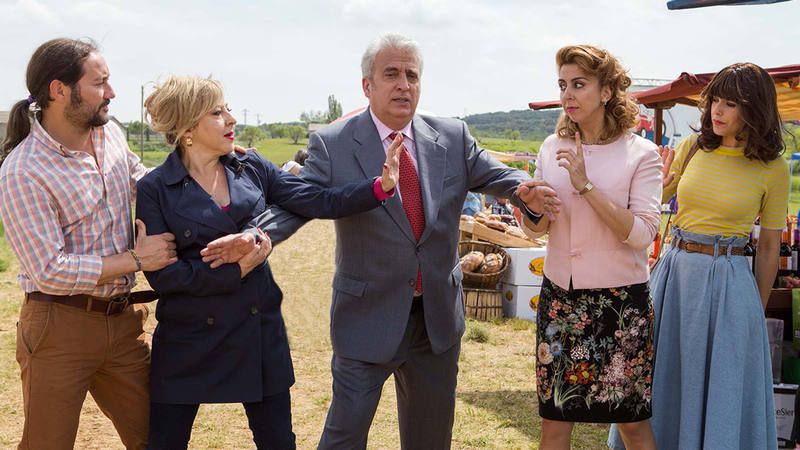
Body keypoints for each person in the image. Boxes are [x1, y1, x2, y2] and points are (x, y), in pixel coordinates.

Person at [201, 33, 537, 449]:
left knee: (431, 440)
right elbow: (299, 201)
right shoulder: (335, 143)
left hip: (436, 323)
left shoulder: (452, 136)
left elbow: (506, 178)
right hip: (366, 318)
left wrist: (530, 191)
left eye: (412, 75)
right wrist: (258, 235)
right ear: (367, 85)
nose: (404, 85)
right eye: (391, 74)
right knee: (344, 437)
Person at [136, 75, 400, 449]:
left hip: (257, 332)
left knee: (278, 442)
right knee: (167, 442)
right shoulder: (155, 188)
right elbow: (165, 278)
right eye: (217, 112)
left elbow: (318, 200)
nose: (231, 119)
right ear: (187, 129)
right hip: (188, 341)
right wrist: (236, 270)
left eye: (228, 109)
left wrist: (379, 187)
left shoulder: (252, 166)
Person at [0, 38, 177, 450]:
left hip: (123, 322)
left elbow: (146, 184)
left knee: (159, 439)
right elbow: (50, 270)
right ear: (59, 90)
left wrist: (212, 161)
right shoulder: (23, 171)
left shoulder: (109, 135)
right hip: (59, 328)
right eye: (99, 83)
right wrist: (136, 259)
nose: (111, 92)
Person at [609, 63, 789, 450]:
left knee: (721, 382)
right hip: (674, 273)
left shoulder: (773, 168)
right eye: (714, 101)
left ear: (755, 109)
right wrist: (656, 181)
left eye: (730, 104)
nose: (716, 111)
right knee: (662, 375)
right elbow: (649, 204)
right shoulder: (693, 147)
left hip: (729, 282)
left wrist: (754, 311)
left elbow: (769, 247)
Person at [517, 44, 662, 450]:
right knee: (554, 422)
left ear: (607, 91)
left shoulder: (642, 155)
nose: (568, 94)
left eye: (579, 84)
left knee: (632, 424)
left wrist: (586, 186)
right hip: (560, 302)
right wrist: (532, 209)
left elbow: (643, 234)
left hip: (621, 306)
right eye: (562, 84)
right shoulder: (550, 147)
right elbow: (537, 231)